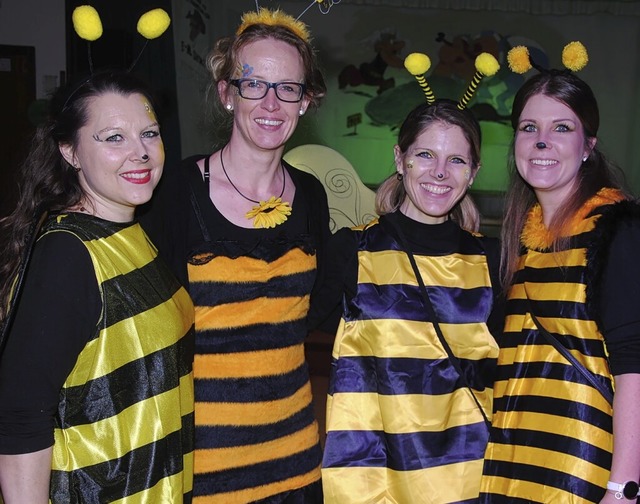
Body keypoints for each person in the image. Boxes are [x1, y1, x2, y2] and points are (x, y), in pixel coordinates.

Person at [139, 8, 330, 503]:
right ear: (227, 94)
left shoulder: (310, 195)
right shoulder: (175, 192)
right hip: (202, 470)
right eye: (253, 84)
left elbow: (315, 312)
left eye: (288, 87)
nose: (271, 102)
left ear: (305, 101)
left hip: (295, 462)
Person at [0, 70, 194, 503]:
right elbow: (20, 415)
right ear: (70, 151)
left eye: (149, 133)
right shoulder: (67, 255)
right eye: (113, 138)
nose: (141, 153)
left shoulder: (133, 231)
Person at [319, 100, 503, 503]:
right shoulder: (351, 250)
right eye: (425, 155)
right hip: (374, 481)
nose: (440, 172)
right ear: (400, 160)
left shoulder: (494, 259)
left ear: (473, 173)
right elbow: (282, 336)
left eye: (456, 159)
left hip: (470, 481)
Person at [479, 69, 640, 503]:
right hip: (510, 465)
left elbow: (634, 364)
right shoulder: (520, 239)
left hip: (581, 471)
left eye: (561, 128)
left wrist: (623, 489)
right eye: (529, 128)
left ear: (588, 145)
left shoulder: (615, 227)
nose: (542, 141)